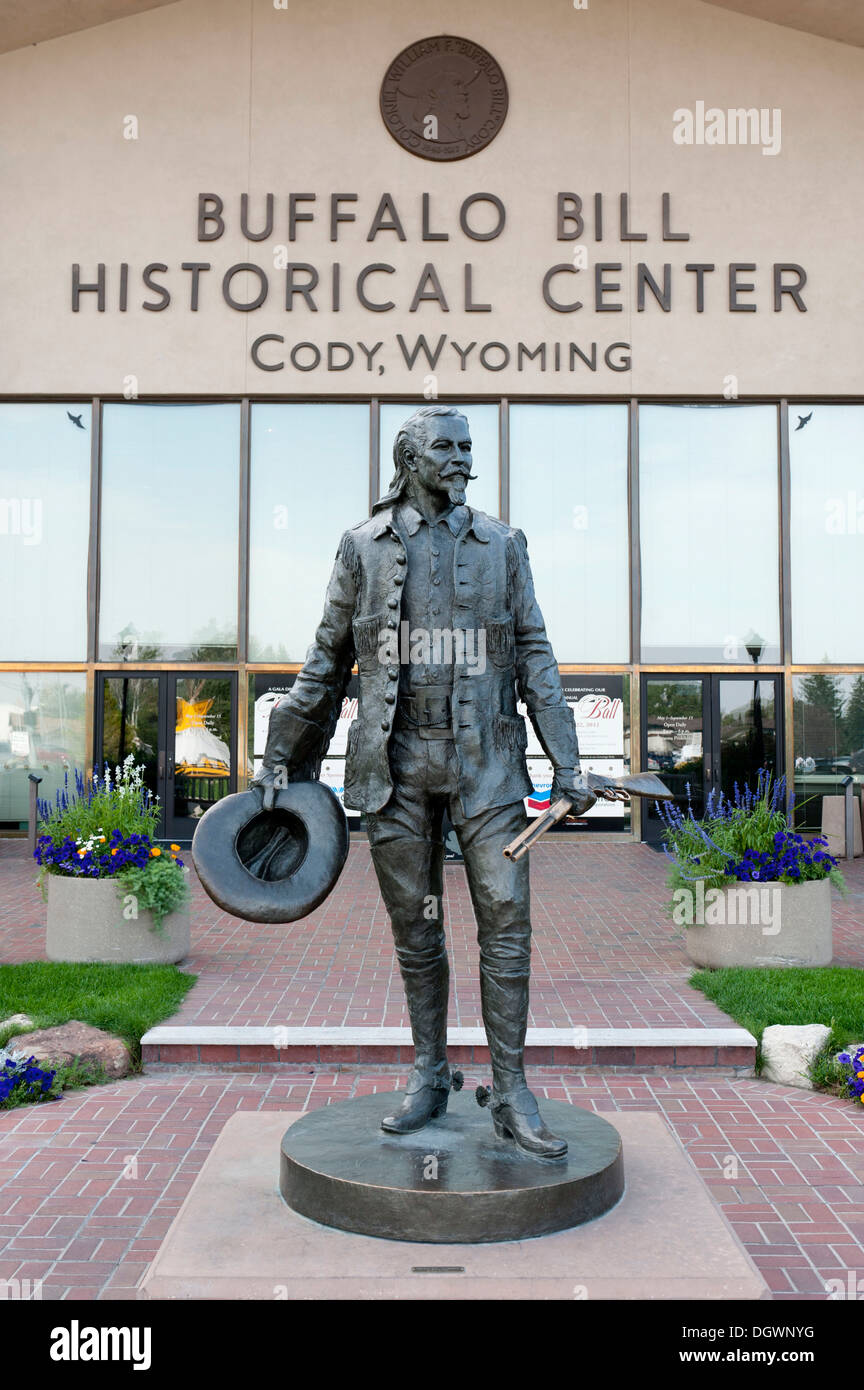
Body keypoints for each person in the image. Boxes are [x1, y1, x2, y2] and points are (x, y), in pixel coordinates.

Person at [254, 405, 600, 1158]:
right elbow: (326, 660)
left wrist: (566, 761)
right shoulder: (361, 546)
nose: (461, 458)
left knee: (506, 922)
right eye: (445, 446)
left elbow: (536, 653)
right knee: (418, 929)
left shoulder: (504, 543)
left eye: (467, 446)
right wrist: (281, 754)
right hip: (395, 768)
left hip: (489, 770)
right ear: (409, 457)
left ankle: (510, 1091)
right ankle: (429, 1074)